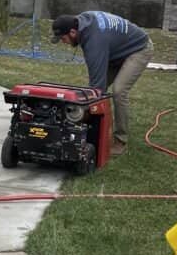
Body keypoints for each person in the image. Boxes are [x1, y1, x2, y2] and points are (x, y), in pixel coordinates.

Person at [51, 11, 154, 156]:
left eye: (63, 38)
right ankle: (89, 128)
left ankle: (120, 141)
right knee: (93, 93)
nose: (64, 42)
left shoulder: (94, 41)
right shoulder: (82, 22)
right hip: (117, 50)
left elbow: (97, 87)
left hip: (139, 49)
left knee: (118, 91)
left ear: (73, 32)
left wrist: (92, 98)